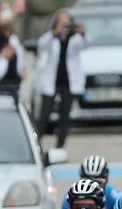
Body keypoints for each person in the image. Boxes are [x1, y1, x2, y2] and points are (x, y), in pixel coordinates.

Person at [33, 10, 88, 149]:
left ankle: (59, 148)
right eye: (61, 22)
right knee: (43, 118)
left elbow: (87, 43)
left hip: (68, 83)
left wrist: (83, 32)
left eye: (66, 23)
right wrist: (54, 33)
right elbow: (41, 45)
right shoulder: (51, 37)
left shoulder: (75, 38)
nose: (64, 26)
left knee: (65, 118)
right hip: (51, 83)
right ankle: (35, 145)